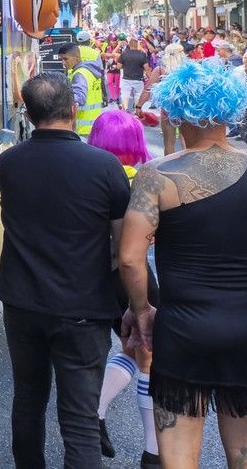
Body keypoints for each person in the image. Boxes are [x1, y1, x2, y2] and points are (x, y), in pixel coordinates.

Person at [119, 60, 247, 469]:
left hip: (184, 327)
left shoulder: (156, 176)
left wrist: (141, 312)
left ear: (174, 111)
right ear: (230, 110)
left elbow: (131, 259)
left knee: (178, 453)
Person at [0, 73, 131, 468]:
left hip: (23, 303)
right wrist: (136, 305)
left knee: (28, 399)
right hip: (84, 307)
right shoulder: (105, 167)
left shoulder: (10, 162)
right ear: (73, 110)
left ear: (27, 111)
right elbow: (123, 249)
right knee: (80, 420)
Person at [87, 110, 160, 467]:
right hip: (132, 276)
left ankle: (96, 412)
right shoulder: (145, 181)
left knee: (129, 347)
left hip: (91, 275)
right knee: (148, 350)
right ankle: (153, 449)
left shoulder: (88, 174)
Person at [58, 41, 105, 137]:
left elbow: (79, 98)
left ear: (77, 58)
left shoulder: (79, 74)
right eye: (61, 59)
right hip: (94, 124)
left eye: (66, 59)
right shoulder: (90, 70)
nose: (63, 63)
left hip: (83, 129)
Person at [118, 37, 150, 114]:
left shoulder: (124, 54)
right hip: (138, 79)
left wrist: (125, 65)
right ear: (137, 45)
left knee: (125, 94)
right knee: (138, 95)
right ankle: (136, 111)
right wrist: (151, 78)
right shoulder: (142, 54)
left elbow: (118, 66)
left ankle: (125, 109)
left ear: (129, 45)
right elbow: (147, 68)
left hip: (126, 79)